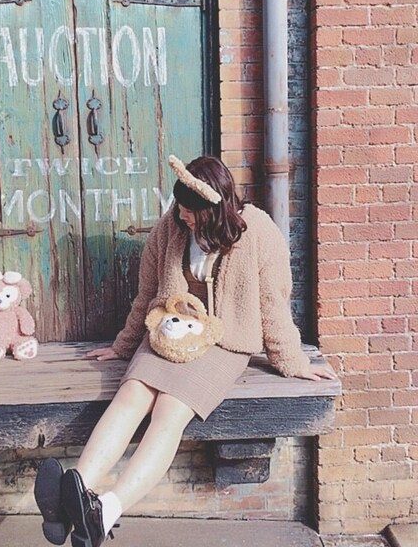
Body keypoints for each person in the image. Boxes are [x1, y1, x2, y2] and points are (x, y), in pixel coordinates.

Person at [34, 154, 336, 547]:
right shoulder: (170, 228)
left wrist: (292, 361)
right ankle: (74, 496)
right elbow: (147, 294)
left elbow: (273, 304)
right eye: (180, 208)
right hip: (170, 330)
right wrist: (124, 345)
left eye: (190, 211)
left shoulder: (259, 231)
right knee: (131, 394)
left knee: (169, 411)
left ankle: (104, 510)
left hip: (224, 342)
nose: (182, 216)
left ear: (214, 209)